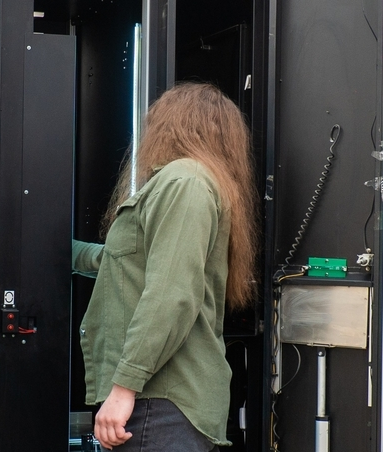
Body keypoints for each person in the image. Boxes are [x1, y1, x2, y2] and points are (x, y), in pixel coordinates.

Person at [71, 83, 258, 451]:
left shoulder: (184, 181)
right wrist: (54, 250)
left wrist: (123, 388)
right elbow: (123, 261)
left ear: (173, 125)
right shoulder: (192, 182)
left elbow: (171, 295)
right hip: (162, 406)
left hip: (160, 404)